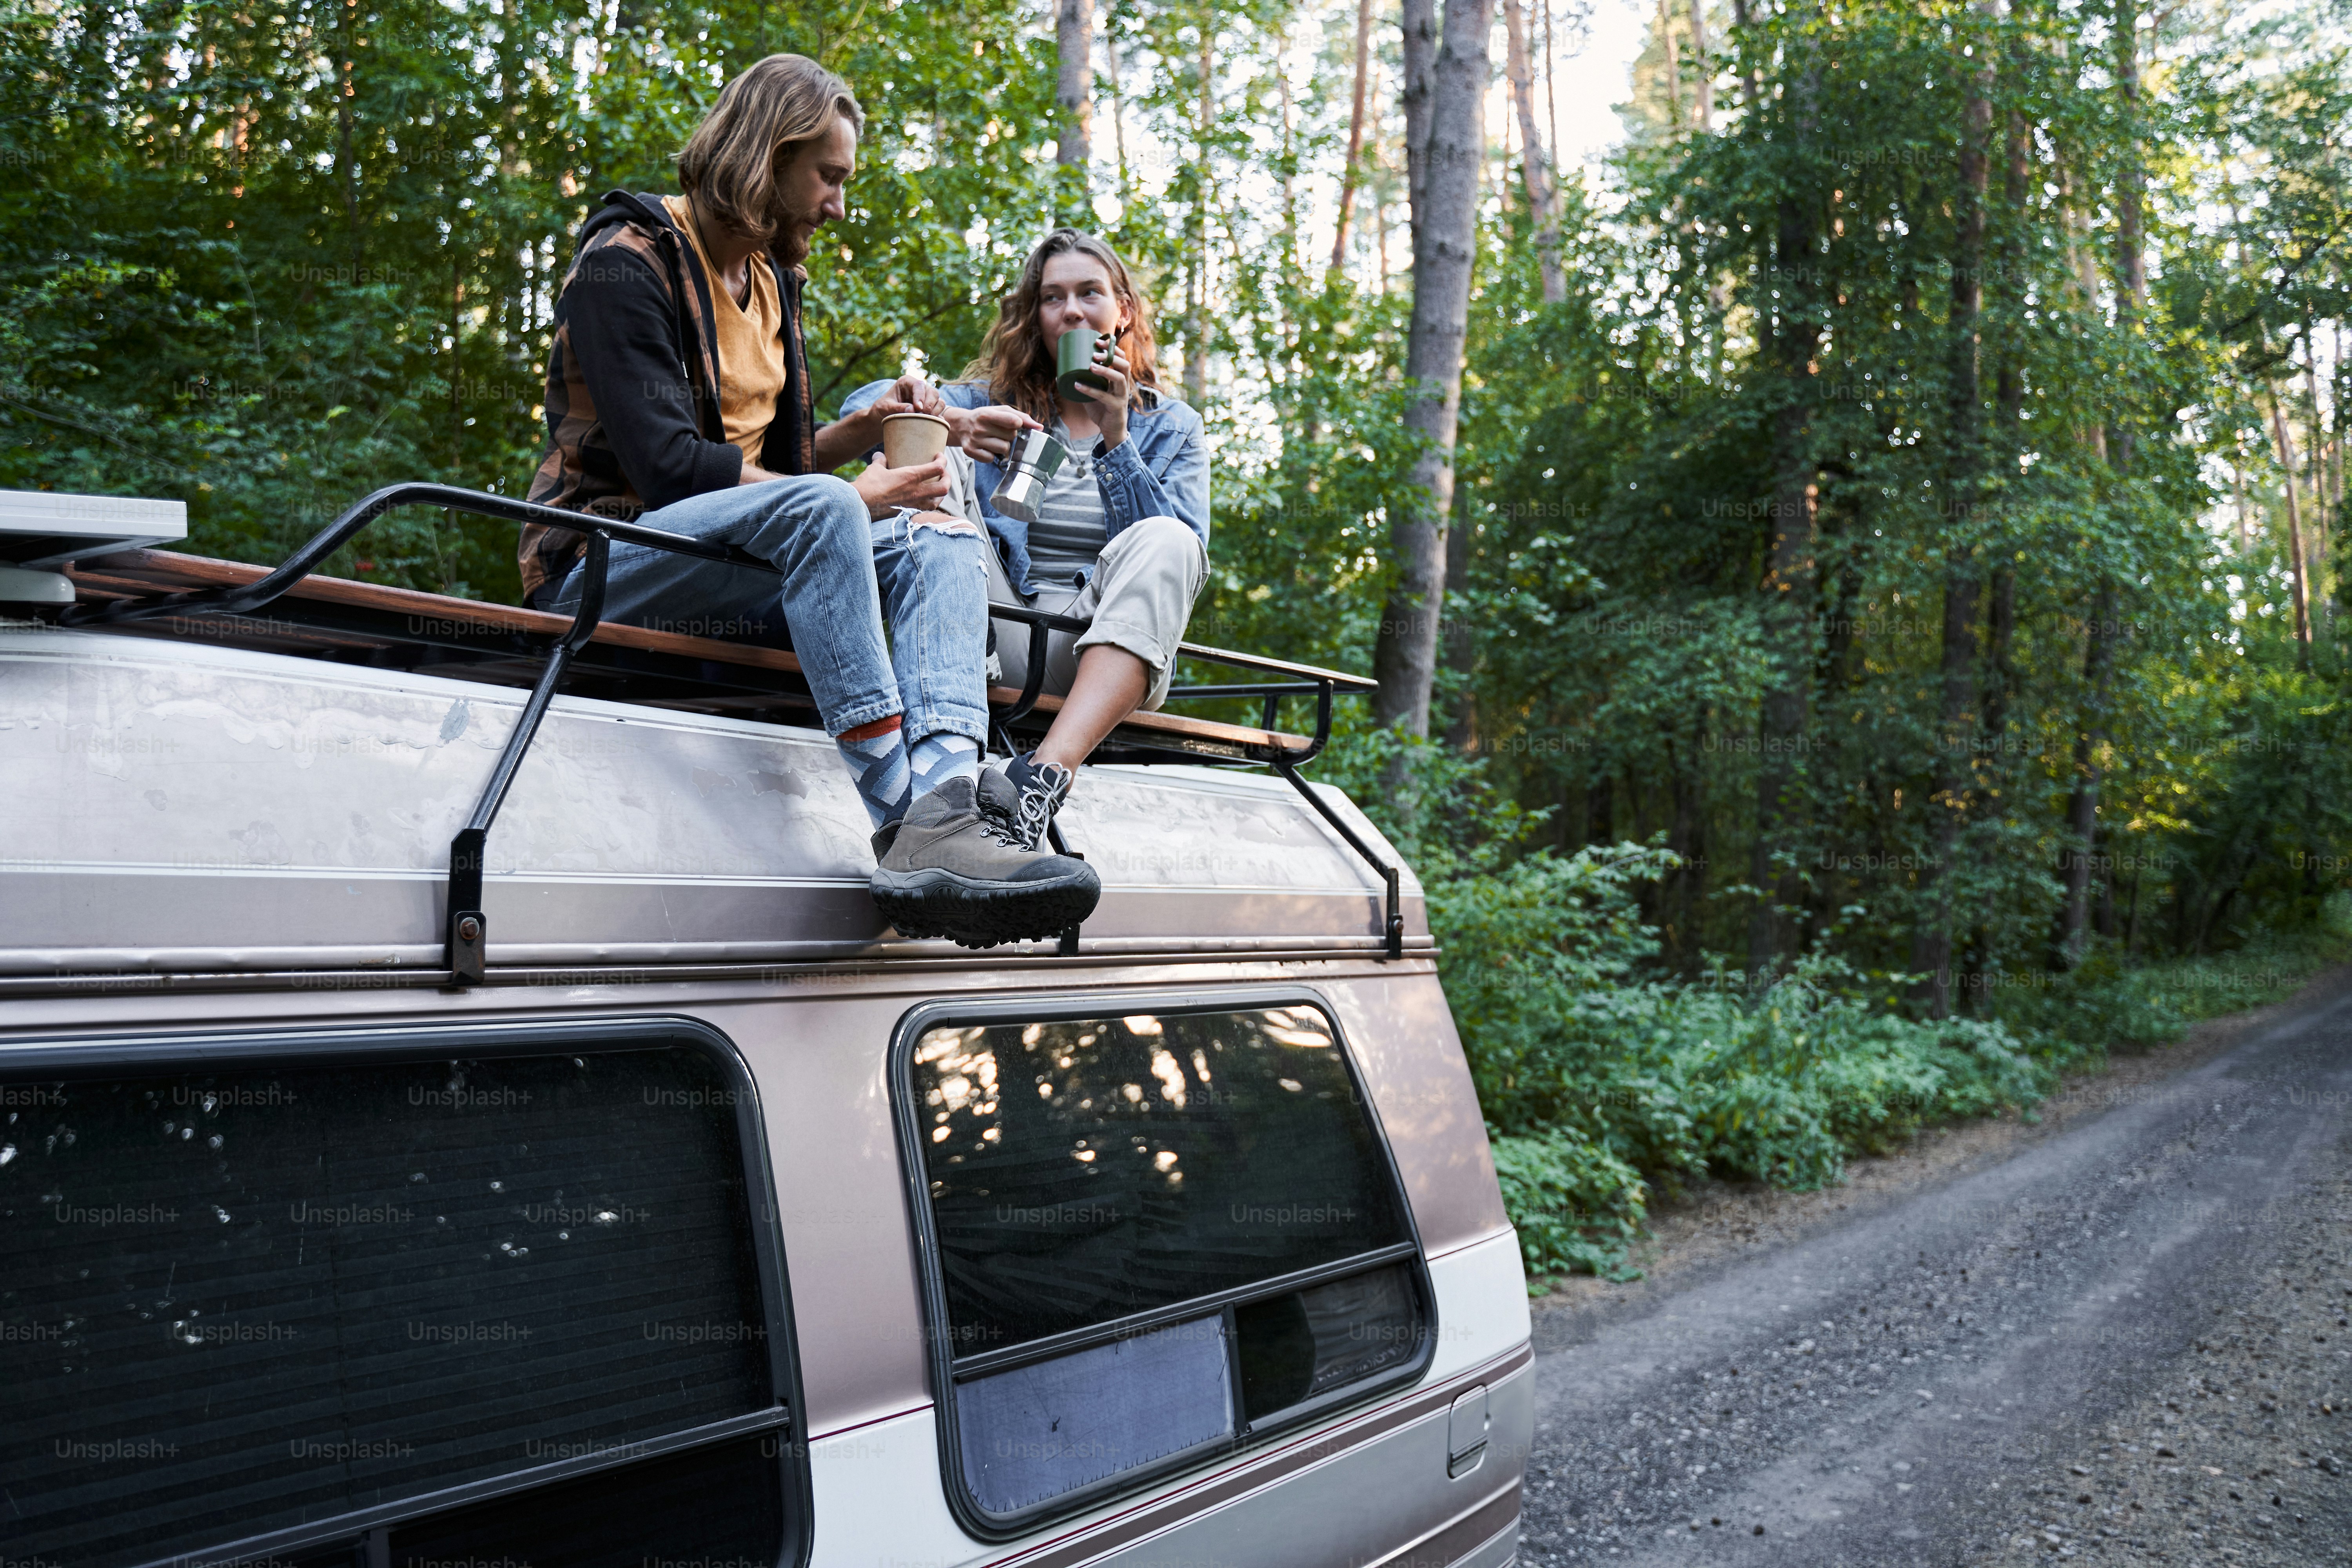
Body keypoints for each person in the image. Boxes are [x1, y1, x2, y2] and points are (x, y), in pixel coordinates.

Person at [519, 55, 1097, 947]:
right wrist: (841, 491)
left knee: (937, 531)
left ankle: (953, 802)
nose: (837, 204)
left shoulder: (772, 280)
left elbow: (781, 466)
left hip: (732, 562)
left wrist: (867, 430)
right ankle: (905, 822)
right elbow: (675, 469)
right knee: (834, 508)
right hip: (606, 559)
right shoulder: (626, 263)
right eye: (829, 176)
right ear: (767, 156)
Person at [842, 229, 1209, 850]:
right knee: (939, 451)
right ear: (1035, 318)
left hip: (1109, 656)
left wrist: (1117, 436)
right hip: (994, 636)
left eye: (1090, 293)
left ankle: (1041, 778)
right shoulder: (995, 406)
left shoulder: (1171, 426)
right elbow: (865, 409)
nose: (1071, 310)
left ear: (1122, 310)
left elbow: (1182, 561)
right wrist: (956, 425)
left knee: (1171, 540)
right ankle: (949, 769)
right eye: (1052, 297)